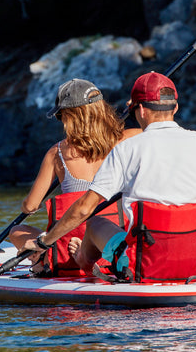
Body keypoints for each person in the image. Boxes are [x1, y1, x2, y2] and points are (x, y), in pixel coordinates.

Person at [20, 71, 196, 279]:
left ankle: (85, 262)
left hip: (141, 264)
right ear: (176, 107)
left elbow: (84, 209)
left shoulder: (127, 149)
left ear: (140, 111)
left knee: (95, 223)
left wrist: (44, 242)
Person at [9, 78, 139, 273]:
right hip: (114, 243)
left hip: (66, 253)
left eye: (61, 116)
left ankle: (40, 258)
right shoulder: (131, 138)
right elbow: (158, 130)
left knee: (16, 231)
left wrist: (27, 207)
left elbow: (30, 206)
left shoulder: (57, 153)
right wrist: (136, 109)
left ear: (69, 117)